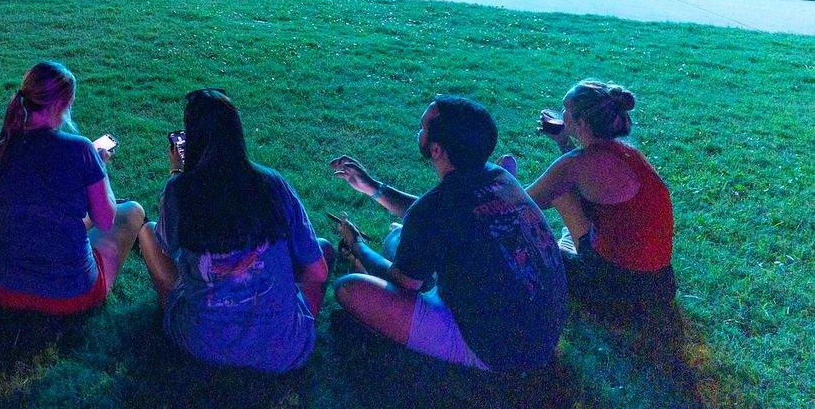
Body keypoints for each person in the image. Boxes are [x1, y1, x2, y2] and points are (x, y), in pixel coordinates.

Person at [328, 96, 566, 371]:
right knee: (397, 237)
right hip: (541, 328)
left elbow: (399, 287)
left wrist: (357, 245)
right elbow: (430, 215)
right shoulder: (500, 178)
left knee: (351, 288)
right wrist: (372, 187)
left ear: (437, 150)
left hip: (499, 349)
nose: (419, 132)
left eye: (423, 128)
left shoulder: (436, 208)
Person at [138, 89, 332, 372]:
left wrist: (177, 175)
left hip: (202, 343)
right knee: (322, 249)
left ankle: (185, 312)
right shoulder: (272, 184)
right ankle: (278, 323)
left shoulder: (180, 191)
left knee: (148, 233)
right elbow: (319, 272)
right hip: (284, 350)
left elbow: (167, 246)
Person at [0, 62, 145, 314]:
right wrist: (100, 168)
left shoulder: (4, 147)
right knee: (132, 211)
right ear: (62, 105)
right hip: (69, 293)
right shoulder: (81, 150)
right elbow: (105, 220)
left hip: (1, 286)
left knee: (3, 203)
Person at [515, 81, 675, 312]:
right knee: (566, 193)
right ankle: (576, 246)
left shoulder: (577, 163)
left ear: (581, 123)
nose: (561, 115)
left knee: (527, 253)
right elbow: (586, 178)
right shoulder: (628, 154)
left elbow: (525, 202)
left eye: (566, 110)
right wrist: (563, 140)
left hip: (618, 293)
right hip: (659, 286)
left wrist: (500, 180)